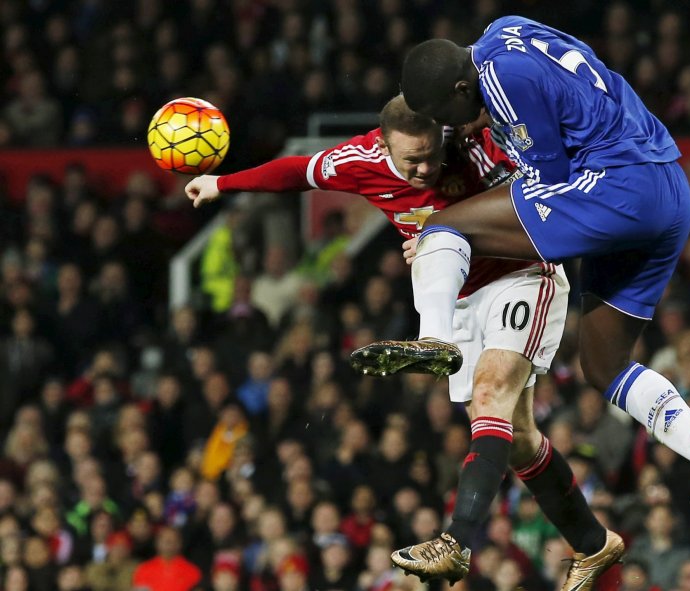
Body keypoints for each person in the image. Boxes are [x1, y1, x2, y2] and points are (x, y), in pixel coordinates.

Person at [348, 15, 690, 583]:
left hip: (618, 188)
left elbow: (546, 180)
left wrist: (448, 228)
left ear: (458, 88)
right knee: (602, 365)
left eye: (448, 118)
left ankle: (434, 340)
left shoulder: (498, 81)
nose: (453, 130)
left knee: (442, 228)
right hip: (666, 184)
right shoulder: (506, 29)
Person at [186, 95, 615, 587]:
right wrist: (221, 182)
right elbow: (296, 171)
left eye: (432, 154)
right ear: (384, 144)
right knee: (515, 439)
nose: (427, 168)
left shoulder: (471, 143)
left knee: (489, 397)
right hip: (461, 298)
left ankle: (456, 542)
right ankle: (594, 545)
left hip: (522, 277)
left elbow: (543, 192)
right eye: (413, 159)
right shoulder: (358, 161)